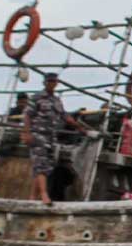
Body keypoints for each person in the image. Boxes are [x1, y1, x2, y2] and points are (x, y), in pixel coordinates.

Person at [21, 72, 90, 205]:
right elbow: (27, 115)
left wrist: (80, 128)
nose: (52, 83)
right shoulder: (37, 97)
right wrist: (27, 132)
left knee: (46, 167)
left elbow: (65, 116)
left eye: (54, 81)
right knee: (40, 164)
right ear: (45, 83)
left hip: (51, 136)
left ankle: (32, 197)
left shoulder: (56, 100)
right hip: (37, 134)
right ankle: (44, 195)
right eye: (50, 81)